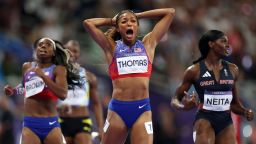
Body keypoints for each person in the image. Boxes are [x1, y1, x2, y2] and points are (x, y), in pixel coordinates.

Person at [83, 8, 175, 144]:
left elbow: (170, 12)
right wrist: (112, 20)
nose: (129, 24)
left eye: (133, 22)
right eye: (124, 22)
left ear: (137, 26)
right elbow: (88, 23)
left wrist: (137, 15)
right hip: (118, 110)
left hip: (142, 109)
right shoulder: (111, 47)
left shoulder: (148, 44)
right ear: (118, 28)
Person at [171, 30, 254, 144]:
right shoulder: (194, 70)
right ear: (211, 44)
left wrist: (244, 111)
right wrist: (184, 106)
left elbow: (234, 104)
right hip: (205, 119)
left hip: (225, 121)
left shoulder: (233, 70)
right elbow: (175, 99)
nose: (228, 45)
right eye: (223, 41)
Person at [4, 37, 80, 144]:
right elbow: (24, 86)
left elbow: (63, 94)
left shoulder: (58, 69)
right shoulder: (27, 66)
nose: (43, 46)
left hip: (51, 125)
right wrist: (13, 91)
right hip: (30, 124)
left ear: (53, 52)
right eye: (40, 44)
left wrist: (43, 77)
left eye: (48, 45)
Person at [58, 40, 104, 144]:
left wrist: (101, 128)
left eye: (75, 51)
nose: (72, 53)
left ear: (79, 54)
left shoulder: (89, 77)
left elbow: (97, 104)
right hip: (61, 121)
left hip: (82, 121)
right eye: (68, 50)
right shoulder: (55, 75)